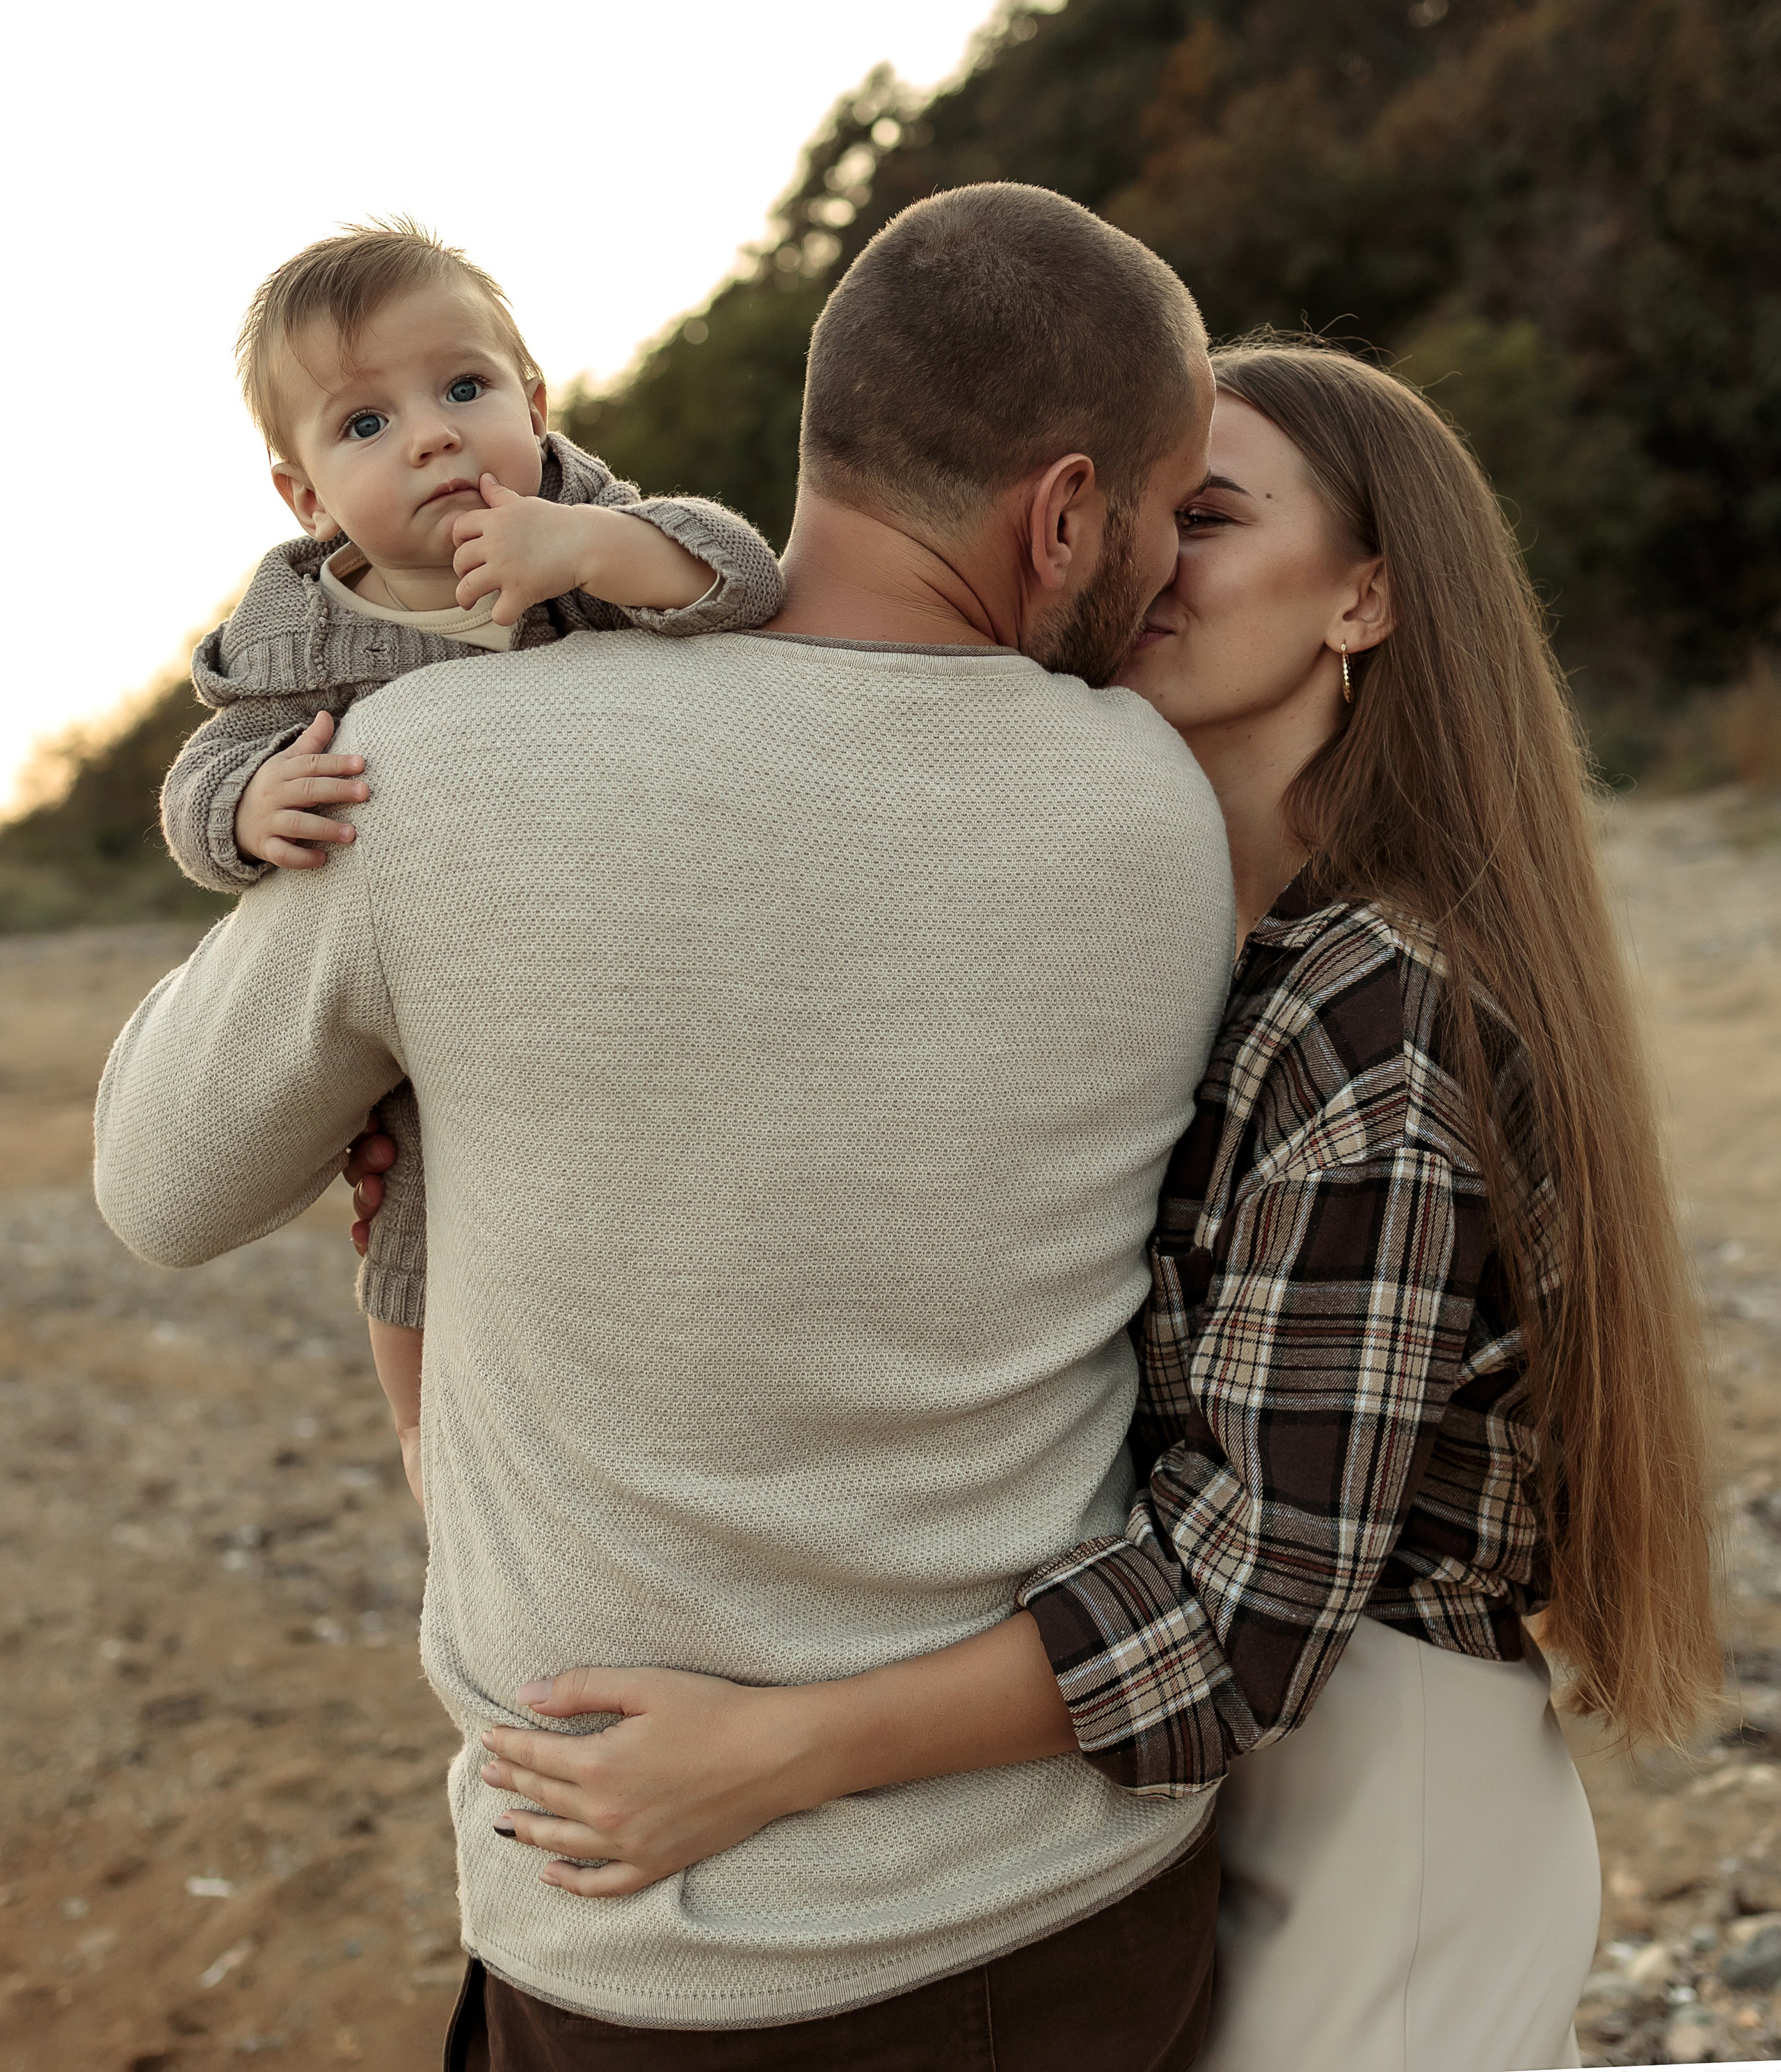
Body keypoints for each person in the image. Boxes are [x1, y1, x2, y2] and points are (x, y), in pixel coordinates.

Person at [426, 342, 1720, 2072]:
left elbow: (1245, 1599)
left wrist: (778, 1747)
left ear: (1363, 599)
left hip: (1374, 1815)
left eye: (1209, 514)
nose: (1140, 552)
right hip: (1192, 1809)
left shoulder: (1380, 1011)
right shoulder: (1191, 941)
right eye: (1132, 506)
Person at [94, 183, 1236, 2069]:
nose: (1165, 574)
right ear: (1059, 513)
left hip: (662, 1954)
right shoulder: (1157, 800)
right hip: (1094, 1907)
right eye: (1159, 517)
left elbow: (158, 1183)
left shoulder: (432, 776)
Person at [157, 218, 785, 1501]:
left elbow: (747, 583)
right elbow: (199, 781)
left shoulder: (591, 549)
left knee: (657, 1211)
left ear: (536, 406)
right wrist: (249, 805)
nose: (433, 433)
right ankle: (424, 1448)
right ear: (306, 496)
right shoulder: (304, 643)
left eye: (463, 388)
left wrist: (594, 550)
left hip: (630, 951)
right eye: (364, 423)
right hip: (443, 1004)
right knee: (410, 1222)